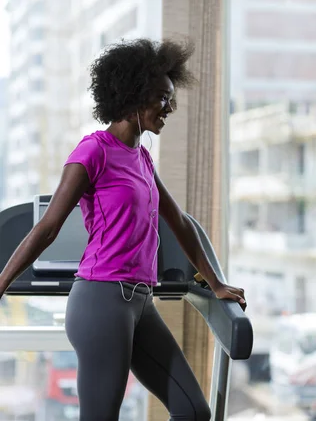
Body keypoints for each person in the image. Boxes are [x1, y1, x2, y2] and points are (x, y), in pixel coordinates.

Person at [0, 38, 246, 420]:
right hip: (101, 301)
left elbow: (178, 221)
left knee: (194, 411)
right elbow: (48, 228)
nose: (170, 107)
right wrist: (1, 284)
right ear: (134, 95)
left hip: (140, 302)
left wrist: (216, 283)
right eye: (163, 97)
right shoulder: (92, 151)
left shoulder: (143, 158)